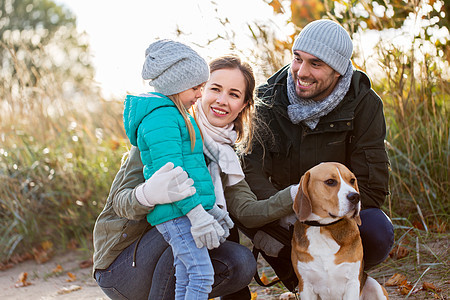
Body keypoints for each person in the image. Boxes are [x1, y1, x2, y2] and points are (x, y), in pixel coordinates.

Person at [93, 52, 296, 300]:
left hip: (171, 256)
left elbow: (246, 210)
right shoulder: (164, 130)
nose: (222, 100)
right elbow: (120, 203)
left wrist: (295, 194)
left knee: (240, 261)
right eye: (215, 89)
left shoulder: (226, 157)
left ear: (243, 105)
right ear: (199, 90)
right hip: (124, 266)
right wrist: (147, 194)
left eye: (233, 94)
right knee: (184, 225)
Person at [241, 19, 395, 272]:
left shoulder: (364, 103)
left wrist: (320, 219)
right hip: (281, 215)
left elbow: (372, 186)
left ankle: (344, 278)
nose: (301, 72)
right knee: (228, 201)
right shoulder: (267, 99)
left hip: (338, 216)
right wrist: (288, 210)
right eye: (297, 58)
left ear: (338, 71)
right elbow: (250, 172)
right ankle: (281, 279)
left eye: (316, 63)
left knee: (377, 230)